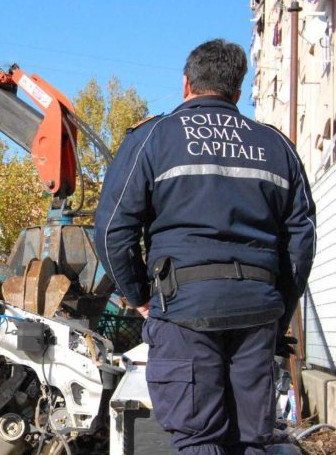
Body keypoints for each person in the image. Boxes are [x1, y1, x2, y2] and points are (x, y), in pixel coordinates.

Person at [94, 39, 316, 455]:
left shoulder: (153, 137)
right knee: (254, 438)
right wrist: (278, 308)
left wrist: (140, 296)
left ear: (185, 85)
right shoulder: (276, 146)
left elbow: (112, 230)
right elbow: (301, 239)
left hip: (183, 310)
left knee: (198, 438)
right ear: (237, 91)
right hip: (257, 311)